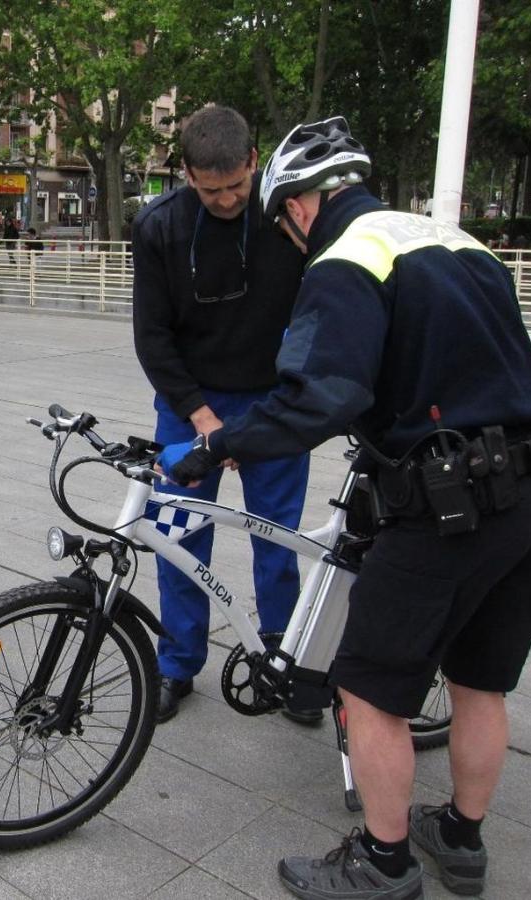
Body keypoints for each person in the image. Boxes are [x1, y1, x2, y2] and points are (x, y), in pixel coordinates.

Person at [168, 116, 531, 900]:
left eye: (283, 219)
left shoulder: (346, 259)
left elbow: (319, 396)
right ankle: (460, 837)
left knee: (370, 686)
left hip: (450, 504)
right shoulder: (460, 244)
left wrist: (216, 449)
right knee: (481, 681)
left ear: (300, 205)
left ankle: (383, 865)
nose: (288, 234)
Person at [130, 104, 310, 725]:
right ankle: (177, 663)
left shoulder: (287, 221)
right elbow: (152, 338)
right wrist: (202, 417)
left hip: (274, 402)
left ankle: (283, 662)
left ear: (254, 163)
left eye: (237, 185)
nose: (228, 199)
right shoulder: (158, 228)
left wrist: (296, 400)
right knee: (178, 536)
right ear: (186, 174)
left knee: (276, 539)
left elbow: (319, 315)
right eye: (212, 190)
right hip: (190, 403)